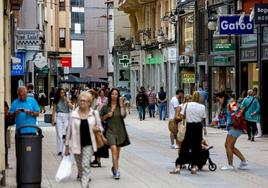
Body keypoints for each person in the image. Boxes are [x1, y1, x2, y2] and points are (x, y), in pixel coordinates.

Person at [65, 92, 105, 187]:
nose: (82, 102)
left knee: (85, 165)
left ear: (89, 102)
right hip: (76, 144)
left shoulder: (94, 113)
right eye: (80, 100)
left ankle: (84, 185)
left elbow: (101, 128)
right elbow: (69, 131)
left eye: (84, 101)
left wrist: (97, 129)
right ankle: (84, 180)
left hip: (89, 143)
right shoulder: (73, 114)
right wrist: (66, 146)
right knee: (80, 166)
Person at [99, 88, 130, 179]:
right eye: (112, 94)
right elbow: (100, 119)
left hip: (120, 130)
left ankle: (114, 167)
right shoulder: (105, 106)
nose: (114, 96)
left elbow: (123, 116)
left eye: (116, 94)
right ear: (110, 95)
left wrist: (122, 105)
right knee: (113, 149)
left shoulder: (120, 105)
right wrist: (107, 115)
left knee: (118, 152)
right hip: (110, 131)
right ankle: (116, 171)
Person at [171, 91, 206, 175]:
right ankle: (194, 167)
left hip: (189, 127)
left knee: (185, 147)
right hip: (198, 127)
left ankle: (178, 167)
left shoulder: (187, 105)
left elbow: (182, 116)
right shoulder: (202, 106)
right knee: (196, 147)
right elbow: (202, 118)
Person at [215, 91, 247, 170]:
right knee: (231, 146)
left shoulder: (231, 102)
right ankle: (243, 161)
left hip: (234, 127)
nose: (219, 102)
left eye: (219, 100)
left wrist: (233, 125)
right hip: (233, 127)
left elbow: (236, 114)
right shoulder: (228, 103)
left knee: (227, 145)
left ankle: (230, 165)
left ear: (223, 97)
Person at [52, 88, 74, 156]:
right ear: (58, 93)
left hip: (66, 116)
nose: (62, 94)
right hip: (59, 116)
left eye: (63, 92)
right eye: (61, 93)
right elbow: (54, 110)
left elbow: (72, 107)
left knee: (65, 134)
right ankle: (60, 150)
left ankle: (65, 149)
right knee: (59, 133)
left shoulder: (67, 99)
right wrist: (53, 119)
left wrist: (67, 101)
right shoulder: (56, 100)